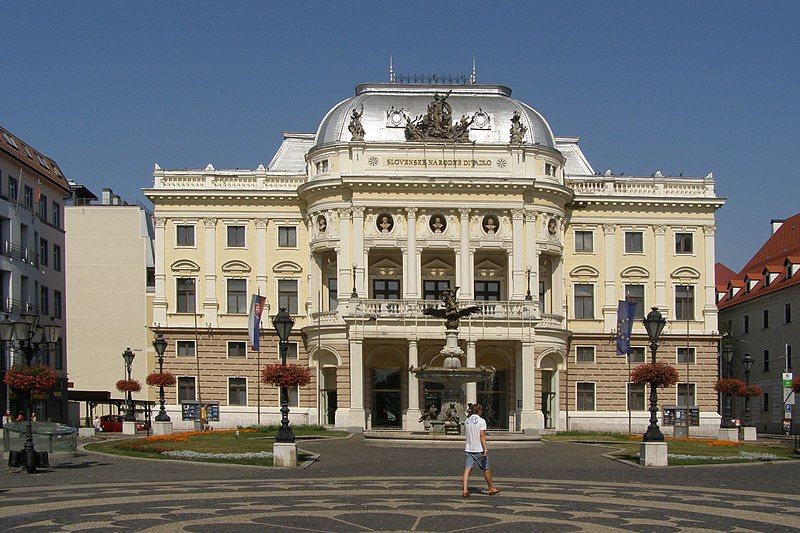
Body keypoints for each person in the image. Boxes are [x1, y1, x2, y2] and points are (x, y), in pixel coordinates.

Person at [461, 403, 500, 498]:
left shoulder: (467, 421)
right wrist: (485, 448)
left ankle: (465, 489)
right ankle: (491, 488)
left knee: (467, 469)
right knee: (486, 468)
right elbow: (482, 435)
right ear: (479, 411)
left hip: (469, 448)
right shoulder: (481, 421)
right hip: (479, 449)